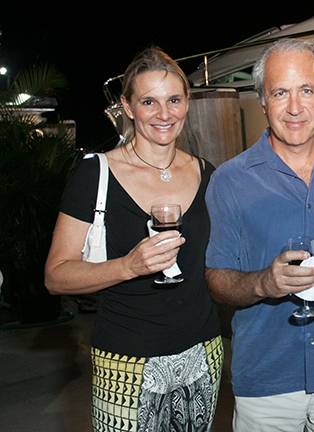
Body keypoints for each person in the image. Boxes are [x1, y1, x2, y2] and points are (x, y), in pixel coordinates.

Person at [44, 47, 223, 431]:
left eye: (173, 100)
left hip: (202, 352)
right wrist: (129, 266)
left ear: (187, 103)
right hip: (126, 360)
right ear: (127, 107)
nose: (164, 114)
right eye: (148, 102)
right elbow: (56, 276)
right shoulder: (96, 173)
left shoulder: (207, 173)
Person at [205, 38, 314, 431]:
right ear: (262, 101)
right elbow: (216, 280)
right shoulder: (230, 181)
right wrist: (264, 283)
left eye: (307, 90)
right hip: (266, 384)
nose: (295, 107)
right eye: (280, 93)